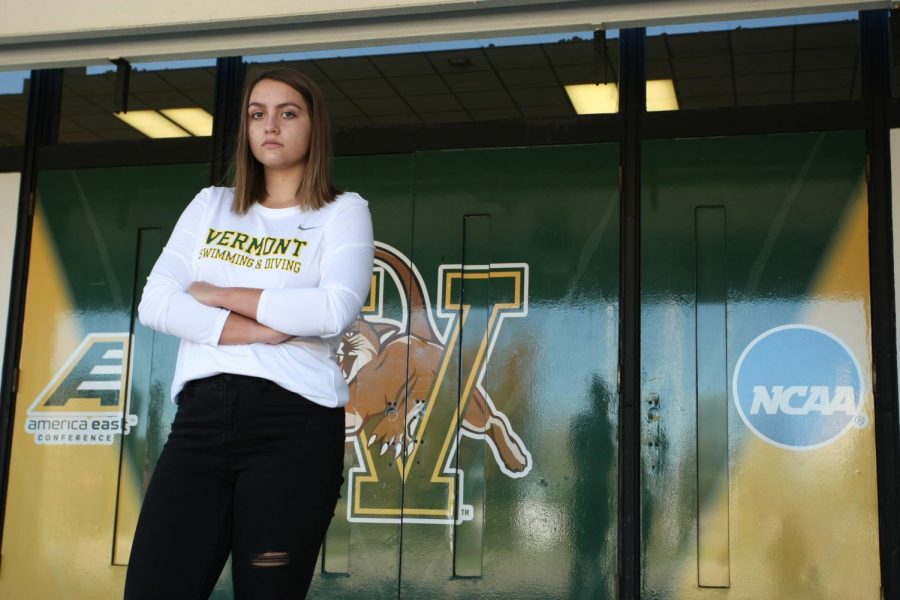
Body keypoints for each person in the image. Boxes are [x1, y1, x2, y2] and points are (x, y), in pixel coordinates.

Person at [123, 67, 374, 599]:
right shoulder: (210, 204)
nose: (270, 126)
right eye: (257, 114)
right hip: (200, 423)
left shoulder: (342, 211)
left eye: (288, 113)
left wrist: (218, 293)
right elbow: (156, 303)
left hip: (294, 427)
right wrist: (261, 330)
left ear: (314, 126)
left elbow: (332, 310)